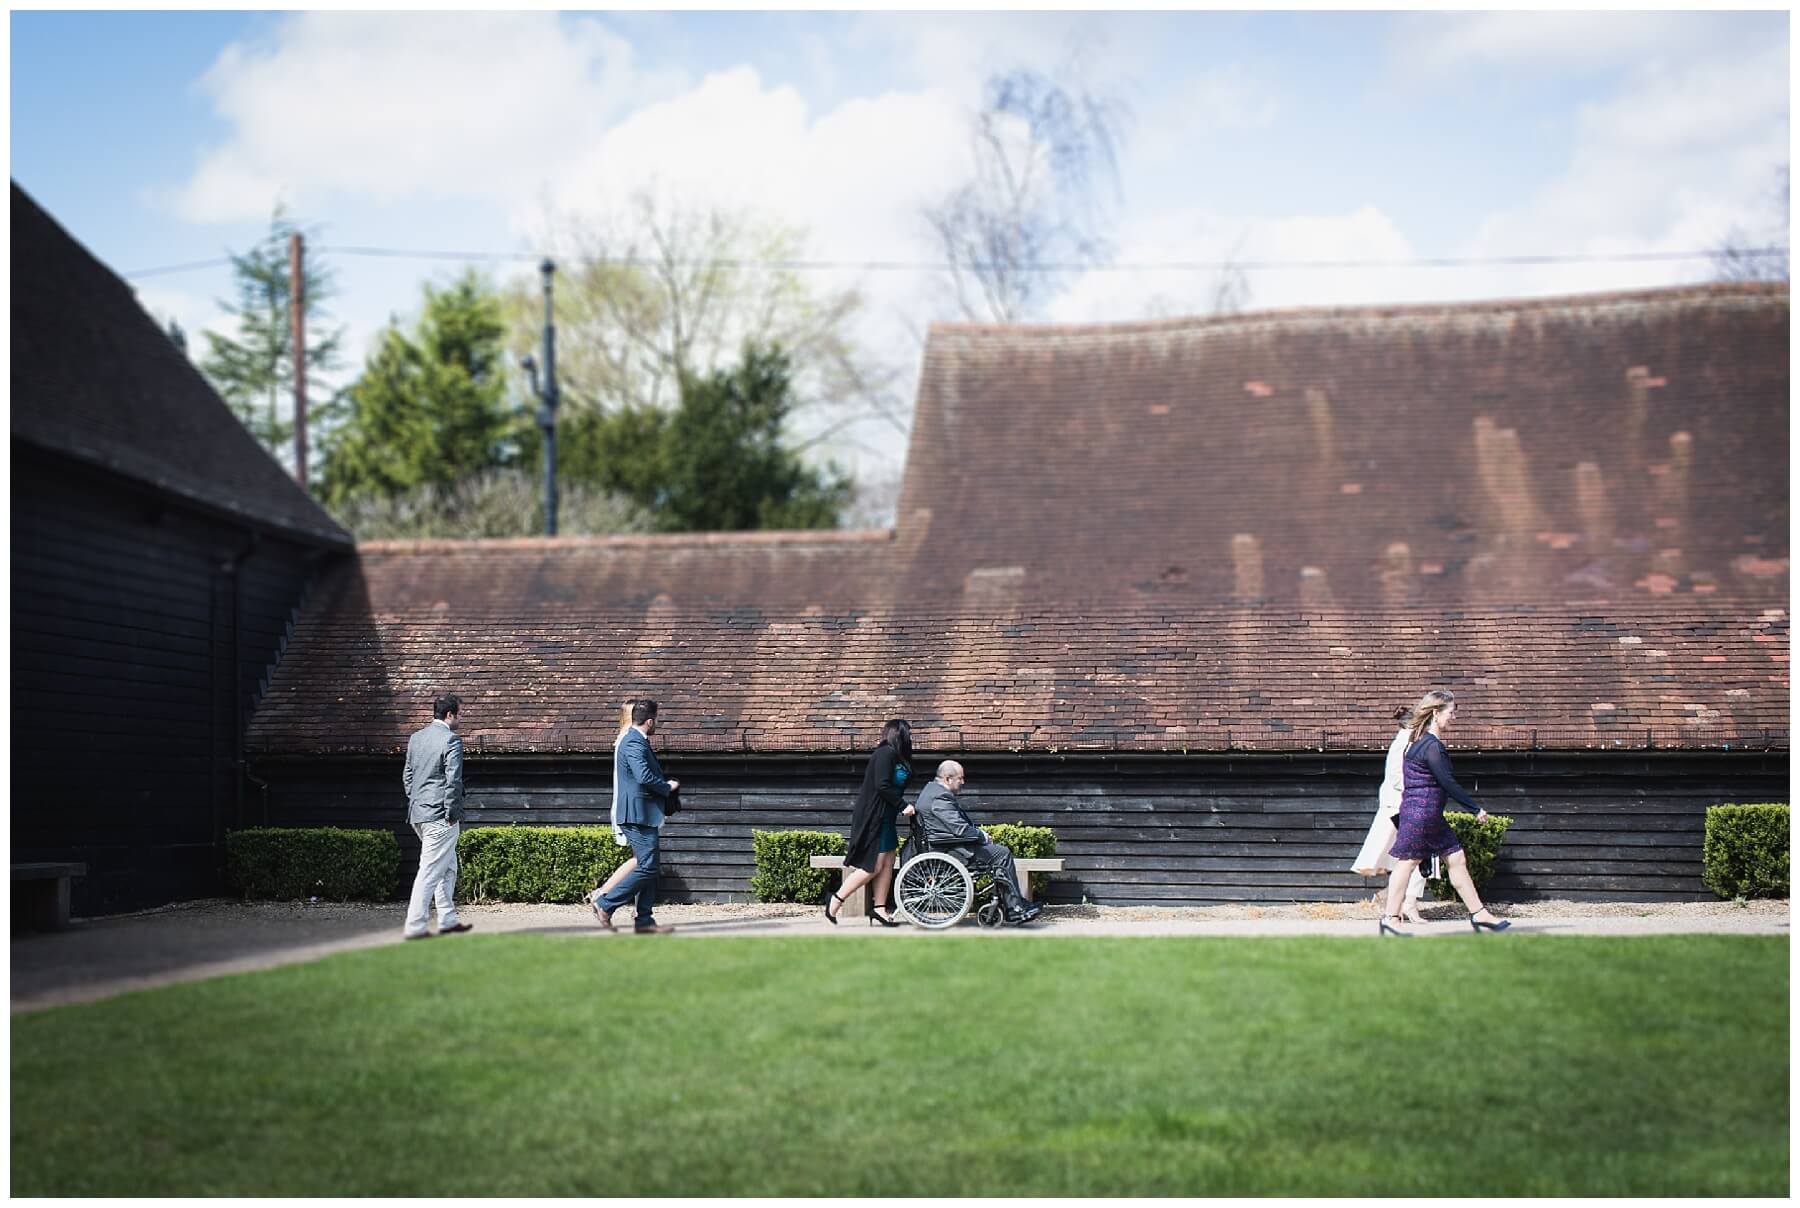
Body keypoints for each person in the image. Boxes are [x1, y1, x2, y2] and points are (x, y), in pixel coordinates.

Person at [1380, 690, 1510, 936]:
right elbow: (1447, 782)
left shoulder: (1416, 743)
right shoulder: (1431, 746)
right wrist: (1475, 809)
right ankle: (1390, 918)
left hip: (1424, 813)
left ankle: (1479, 914)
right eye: (1451, 712)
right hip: (1423, 813)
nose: (1454, 717)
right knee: (1407, 863)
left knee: (1455, 859)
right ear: (1437, 713)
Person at [908, 760, 1043, 925]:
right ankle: (1014, 908)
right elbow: (959, 829)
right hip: (950, 850)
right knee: (1001, 854)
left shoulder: (931, 791)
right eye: (960, 778)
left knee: (998, 852)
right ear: (948, 778)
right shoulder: (939, 797)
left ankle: (1013, 904)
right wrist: (982, 836)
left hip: (946, 846)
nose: (963, 782)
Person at [590, 699, 679, 934]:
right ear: (650, 721)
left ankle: (644, 921)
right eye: (657, 720)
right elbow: (643, 776)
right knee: (648, 867)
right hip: (636, 814)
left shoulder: (637, 740)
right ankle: (605, 903)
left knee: (650, 866)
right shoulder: (632, 741)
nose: (657, 723)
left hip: (643, 813)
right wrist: (666, 787)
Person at [1351, 700, 1438, 923]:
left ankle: (1401, 901)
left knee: (1414, 855)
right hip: (1401, 804)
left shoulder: (1409, 742)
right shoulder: (1404, 743)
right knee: (1414, 853)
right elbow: (1397, 777)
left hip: (1407, 803)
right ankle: (1402, 903)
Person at [826, 719, 913, 927]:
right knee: (873, 866)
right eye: (908, 733)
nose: (911, 737)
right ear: (898, 734)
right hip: (876, 817)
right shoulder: (885, 753)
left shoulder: (899, 756)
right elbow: (881, 785)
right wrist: (903, 805)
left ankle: (879, 909)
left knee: (889, 863)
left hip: (888, 817)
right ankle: (835, 900)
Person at [402, 693, 473, 940]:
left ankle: (448, 919)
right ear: (449, 714)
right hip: (441, 816)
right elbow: (453, 781)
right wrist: (451, 814)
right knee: (430, 870)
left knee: (448, 866)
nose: (461, 718)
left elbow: (408, 778)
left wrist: (418, 801)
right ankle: (415, 925)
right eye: (460, 713)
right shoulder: (451, 740)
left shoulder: (416, 738)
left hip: (418, 814)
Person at [583, 699, 640, 917]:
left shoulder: (623, 740)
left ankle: (639, 909)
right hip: (632, 808)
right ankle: (603, 894)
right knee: (642, 860)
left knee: (643, 860)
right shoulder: (630, 742)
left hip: (627, 807)